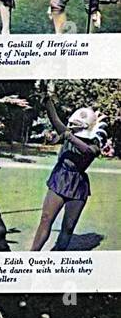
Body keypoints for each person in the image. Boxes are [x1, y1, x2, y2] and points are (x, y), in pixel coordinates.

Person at [31, 91, 107, 250]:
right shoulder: (68, 132)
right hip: (61, 178)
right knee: (46, 219)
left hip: (78, 185)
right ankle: (32, 255)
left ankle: (58, 256)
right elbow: (55, 119)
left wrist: (67, 136)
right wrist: (47, 101)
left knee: (68, 227)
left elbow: (88, 151)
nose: (73, 129)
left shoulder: (94, 143)